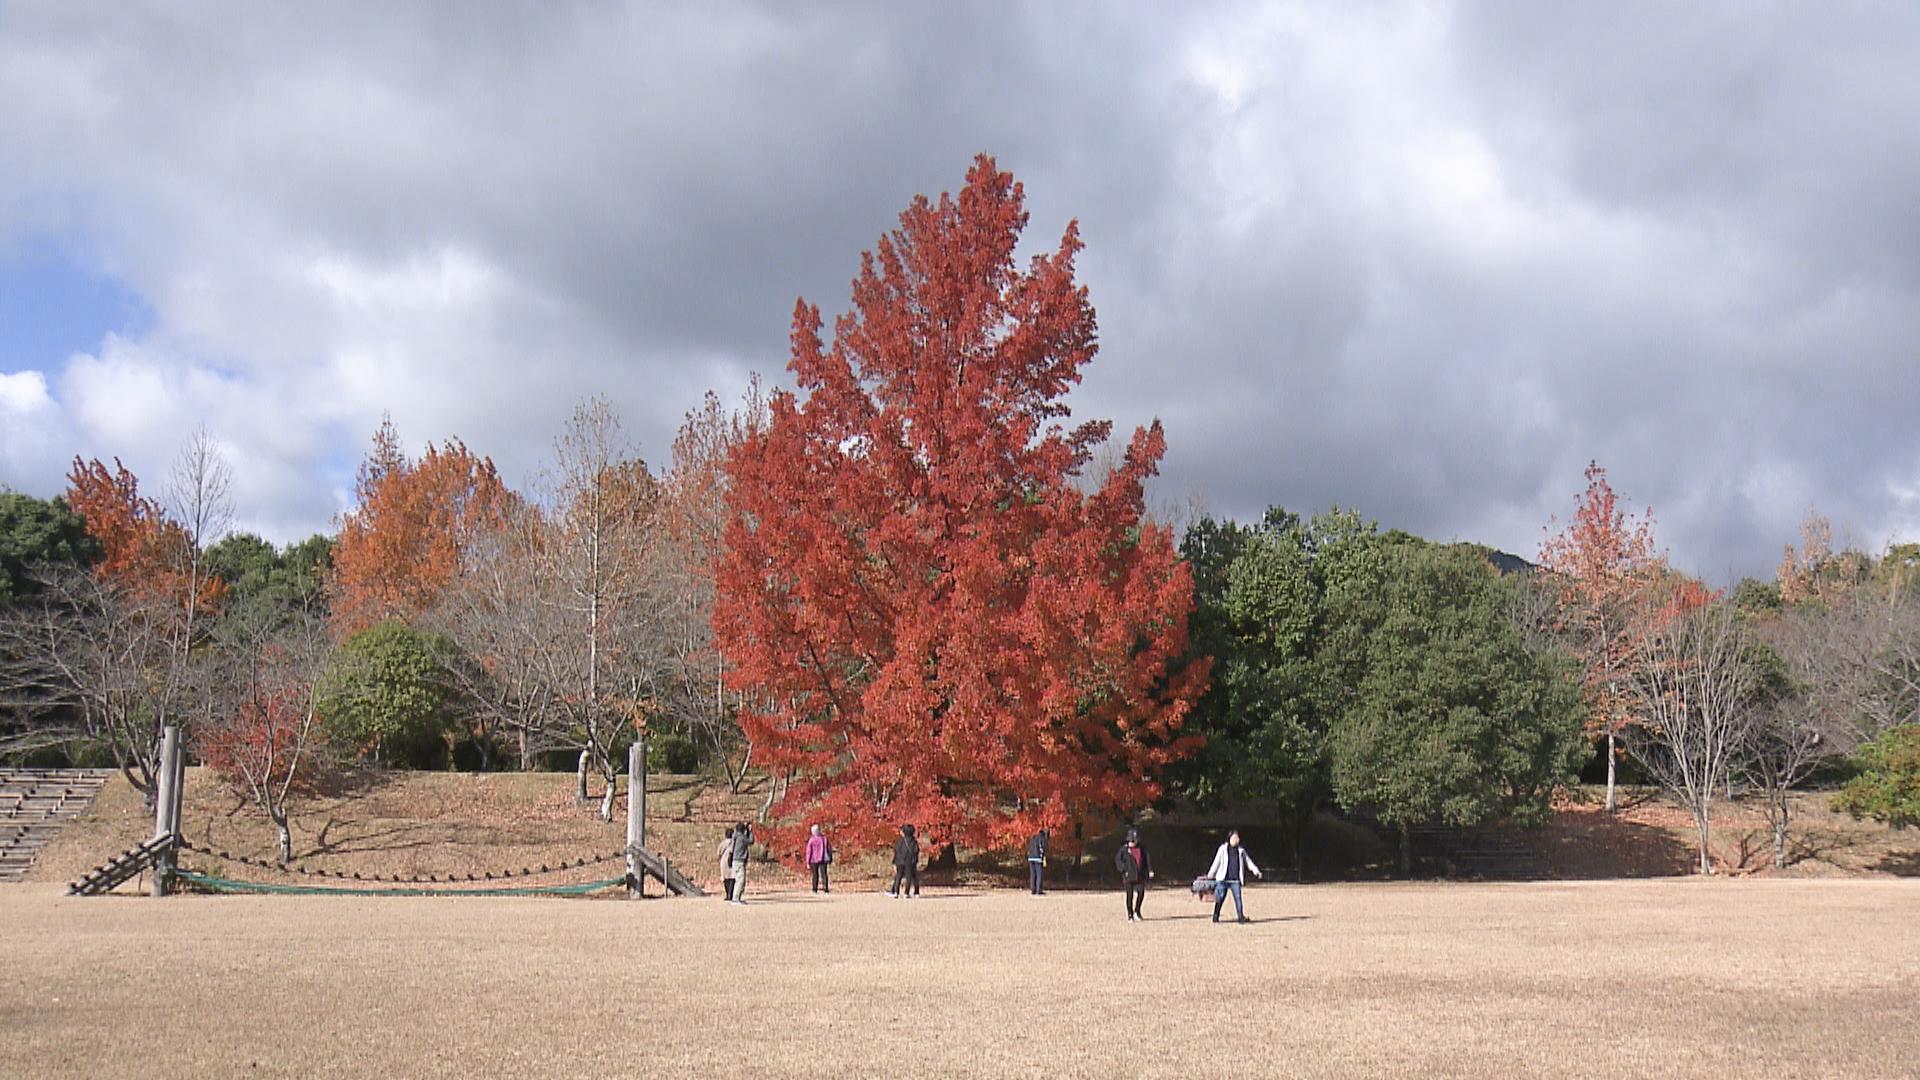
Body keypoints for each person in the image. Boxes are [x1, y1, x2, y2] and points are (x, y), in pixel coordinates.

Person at [1206, 830, 1262, 923]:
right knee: (1220, 898)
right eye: (1234, 837)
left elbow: (1248, 862)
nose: (1237, 839)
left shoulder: (1241, 851)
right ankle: (1215, 916)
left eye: (1237, 837)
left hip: (1235, 880)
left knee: (1238, 899)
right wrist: (1210, 874)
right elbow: (1216, 862)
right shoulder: (1222, 849)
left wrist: (1256, 871)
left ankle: (1241, 917)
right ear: (1229, 838)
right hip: (1223, 879)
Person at [1114, 828, 1153, 922]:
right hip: (1128, 876)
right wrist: (1123, 869)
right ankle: (1130, 914)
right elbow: (1118, 860)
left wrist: (1150, 870)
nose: (1132, 842)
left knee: (1141, 893)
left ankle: (1137, 911)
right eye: (1131, 840)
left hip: (1140, 875)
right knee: (1129, 895)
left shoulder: (1142, 848)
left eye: (1134, 840)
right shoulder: (1124, 849)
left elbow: (1147, 859)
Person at [887, 823, 919, 898]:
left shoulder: (900, 841)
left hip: (900, 861)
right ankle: (906, 893)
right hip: (910, 862)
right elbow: (916, 851)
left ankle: (896, 892)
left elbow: (896, 851)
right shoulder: (913, 841)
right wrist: (915, 861)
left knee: (898, 876)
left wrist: (894, 862)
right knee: (909, 877)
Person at [729, 821, 754, 905]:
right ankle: (735, 898)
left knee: (738, 879)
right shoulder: (741, 838)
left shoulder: (735, 836)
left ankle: (736, 898)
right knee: (740, 880)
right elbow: (751, 841)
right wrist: (750, 831)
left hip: (735, 860)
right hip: (739, 861)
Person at [805, 824, 833, 894]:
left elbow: (809, 851)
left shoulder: (811, 840)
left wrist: (807, 862)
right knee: (824, 874)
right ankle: (826, 889)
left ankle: (814, 889)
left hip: (813, 860)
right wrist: (830, 858)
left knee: (815, 875)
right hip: (823, 859)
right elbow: (829, 849)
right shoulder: (824, 839)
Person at [1026, 828, 1049, 895]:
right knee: (1039, 875)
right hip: (1037, 858)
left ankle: (1033, 889)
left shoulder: (1033, 838)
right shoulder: (1041, 838)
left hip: (1030, 858)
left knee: (1033, 874)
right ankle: (1039, 890)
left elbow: (1029, 847)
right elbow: (1042, 848)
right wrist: (1042, 858)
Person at [718, 827, 735, 902]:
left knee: (725, 878)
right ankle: (731, 894)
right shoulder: (734, 843)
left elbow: (718, 852)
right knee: (732, 878)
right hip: (732, 861)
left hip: (724, 861)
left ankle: (727, 893)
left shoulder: (723, 843)